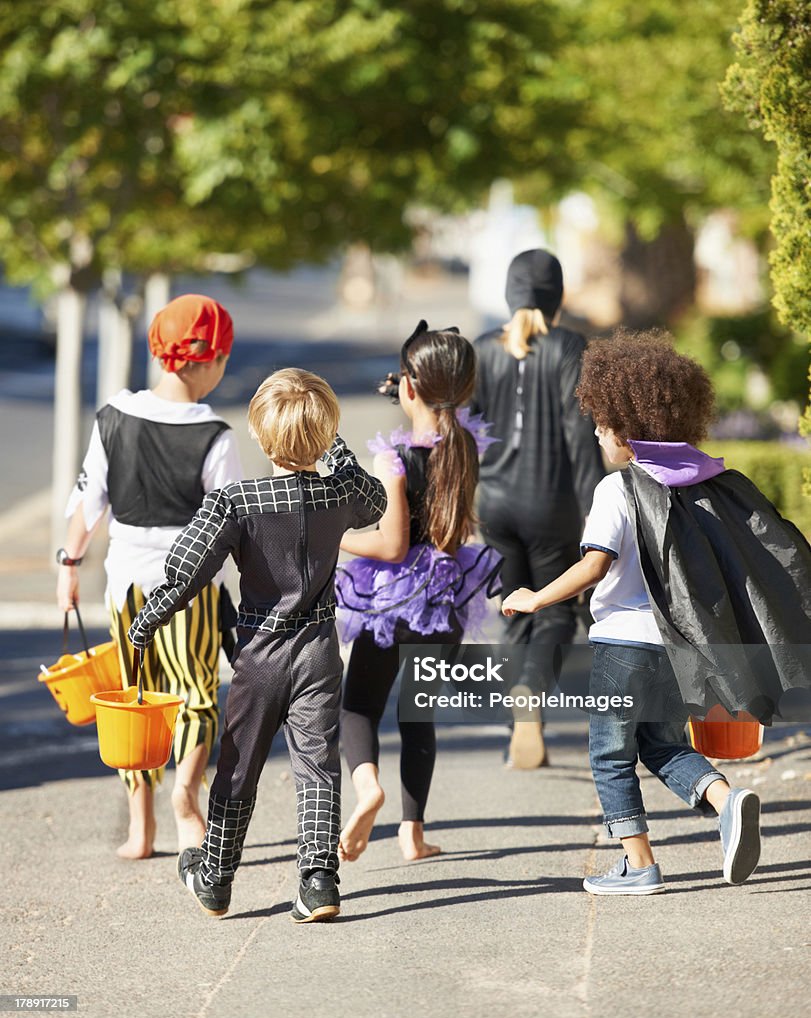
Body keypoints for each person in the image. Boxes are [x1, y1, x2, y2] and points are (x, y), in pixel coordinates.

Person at [503, 328, 811, 893]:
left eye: (601, 423)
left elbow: (594, 566)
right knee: (662, 743)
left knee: (608, 753)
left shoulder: (617, 489)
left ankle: (638, 865)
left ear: (627, 430)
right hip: (676, 648)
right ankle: (727, 799)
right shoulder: (707, 485)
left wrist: (535, 597)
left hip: (621, 645)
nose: (596, 432)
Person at [128, 369, 387, 921]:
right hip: (319, 646)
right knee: (317, 766)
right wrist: (332, 446)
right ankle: (319, 881)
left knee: (239, 765)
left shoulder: (234, 503)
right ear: (325, 434)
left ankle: (216, 877)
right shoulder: (341, 492)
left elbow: (187, 572)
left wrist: (148, 619)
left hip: (259, 650)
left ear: (258, 434)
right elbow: (376, 502)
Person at [57, 294, 242, 860]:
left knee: (133, 700)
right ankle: (186, 791)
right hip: (192, 588)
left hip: (125, 584)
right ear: (210, 359)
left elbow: (89, 505)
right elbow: (231, 522)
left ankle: (141, 831)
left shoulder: (114, 416)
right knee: (194, 697)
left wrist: (68, 568)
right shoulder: (216, 435)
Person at [335, 322, 502, 863]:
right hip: (448, 597)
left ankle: (367, 790)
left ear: (409, 388)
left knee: (358, 707)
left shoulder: (394, 460)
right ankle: (412, 834)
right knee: (417, 713)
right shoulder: (467, 445)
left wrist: (338, 539)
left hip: (393, 601)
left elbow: (390, 543)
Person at [470, 249, 604, 769]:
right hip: (554, 508)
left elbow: (464, 433)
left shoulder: (483, 350)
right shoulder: (570, 347)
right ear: (557, 297)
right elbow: (579, 439)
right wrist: (599, 513)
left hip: (495, 506)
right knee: (553, 611)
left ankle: (517, 723)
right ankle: (531, 692)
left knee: (512, 612)